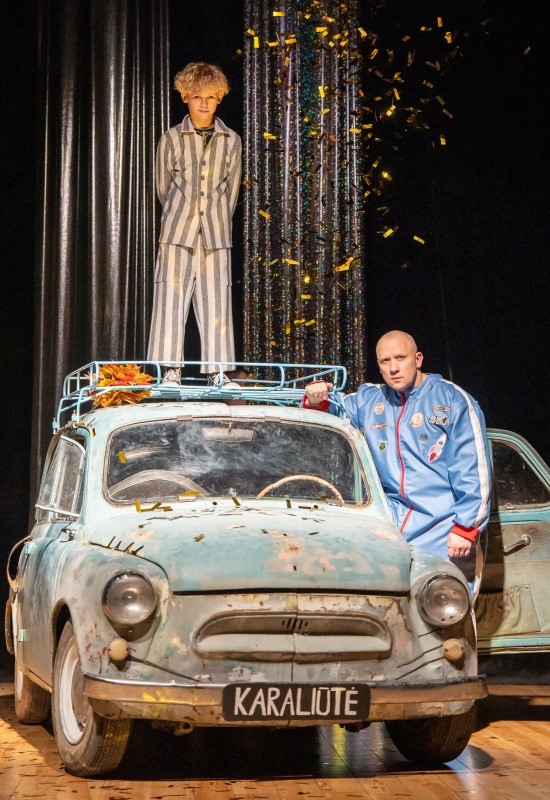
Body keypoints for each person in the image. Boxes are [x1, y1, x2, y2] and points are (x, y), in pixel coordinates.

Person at [303, 330, 491, 595]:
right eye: (385, 361)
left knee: (444, 607)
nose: (393, 368)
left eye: (400, 358)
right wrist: (315, 398)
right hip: (389, 528)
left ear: (418, 359)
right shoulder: (369, 401)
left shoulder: (452, 400)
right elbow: (332, 412)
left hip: (444, 530)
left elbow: (474, 469)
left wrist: (465, 528)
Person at [148, 62, 242, 385]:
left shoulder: (231, 140)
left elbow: (231, 191)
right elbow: (163, 188)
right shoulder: (171, 139)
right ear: (186, 97)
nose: (204, 103)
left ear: (219, 98)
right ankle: (170, 371)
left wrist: (213, 219)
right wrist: (183, 215)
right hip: (177, 233)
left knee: (216, 302)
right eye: (198, 96)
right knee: (170, 301)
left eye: (211, 97)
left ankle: (217, 371)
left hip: (216, 235)